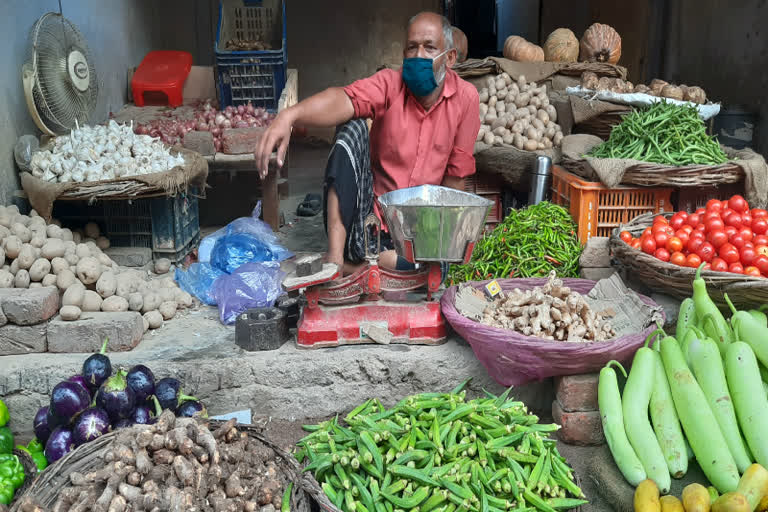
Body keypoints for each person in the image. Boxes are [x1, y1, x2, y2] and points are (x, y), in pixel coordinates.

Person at [255, 12, 480, 276]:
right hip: (373, 223)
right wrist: (289, 116)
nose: (418, 55)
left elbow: (456, 178)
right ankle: (338, 259)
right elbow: (343, 98)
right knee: (351, 125)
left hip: (422, 229)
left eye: (429, 47)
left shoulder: (466, 98)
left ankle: (369, 267)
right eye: (411, 47)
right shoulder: (389, 83)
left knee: (437, 266)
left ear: (450, 58)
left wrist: (441, 241)